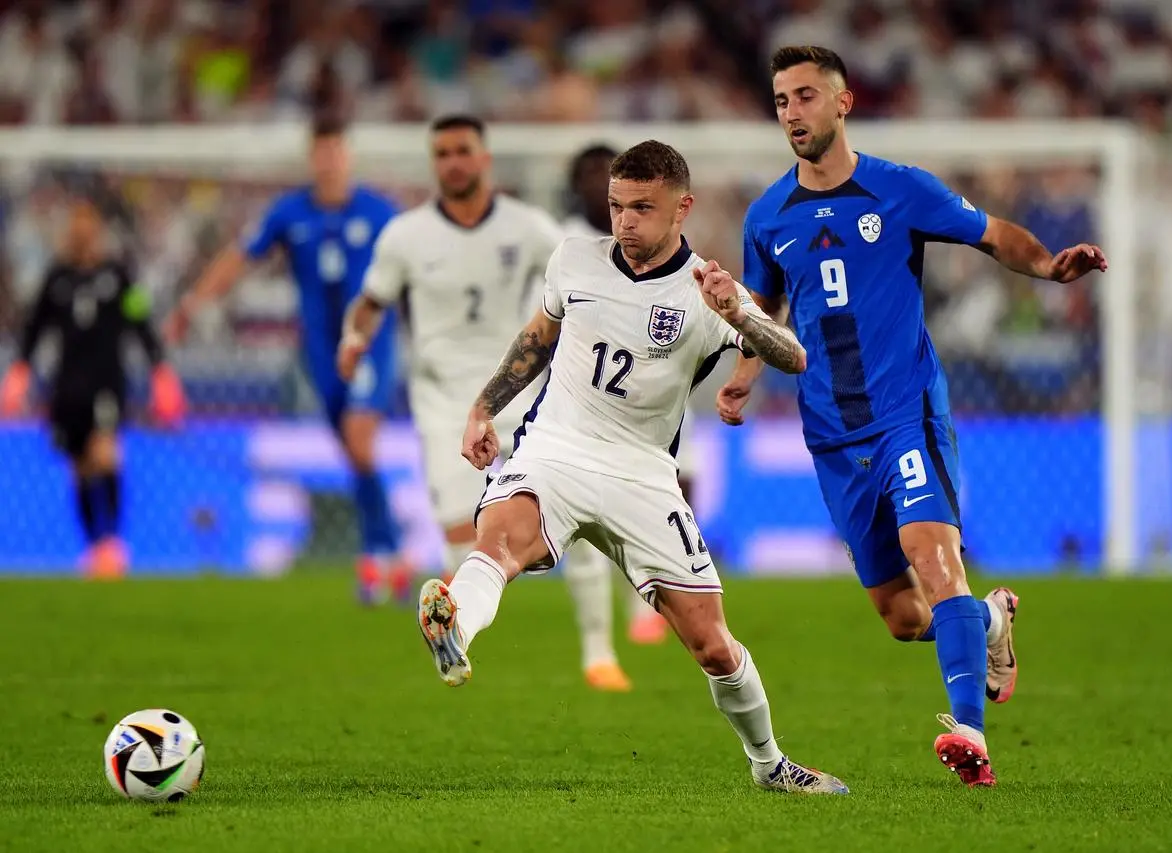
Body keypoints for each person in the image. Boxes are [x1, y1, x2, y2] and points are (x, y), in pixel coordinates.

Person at [719, 46, 1108, 787]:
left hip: (906, 412)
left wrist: (1052, 265)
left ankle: (970, 731)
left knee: (936, 560)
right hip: (832, 433)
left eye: (805, 96)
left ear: (843, 102)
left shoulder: (899, 190)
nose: (792, 112)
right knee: (902, 615)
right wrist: (742, 375)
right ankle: (989, 623)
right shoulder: (768, 215)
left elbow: (993, 233)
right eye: (780, 101)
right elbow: (763, 308)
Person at [410, 139, 847, 794]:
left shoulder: (706, 287)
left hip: (642, 473)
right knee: (498, 539)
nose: (625, 222)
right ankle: (455, 627)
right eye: (617, 206)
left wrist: (739, 318)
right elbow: (537, 339)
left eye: (643, 207)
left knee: (713, 645)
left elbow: (792, 356)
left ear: (682, 208)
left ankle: (769, 763)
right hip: (557, 446)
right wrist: (483, 407)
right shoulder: (573, 258)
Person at [337, 116, 633, 692]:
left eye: (463, 151)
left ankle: (599, 654)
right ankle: (459, 638)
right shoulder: (405, 235)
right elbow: (370, 302)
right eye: (442, 152)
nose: (453, 162)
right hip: (444, 400)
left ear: (484, 158)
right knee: (459, 530)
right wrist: (354, 339)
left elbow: (587, 265)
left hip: (520, 392)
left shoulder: (527, 228)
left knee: (585, 520)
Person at [164, 114, 409, 605]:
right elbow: (239, 256)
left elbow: (417, 264)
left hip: (368, 344)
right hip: (319, 352)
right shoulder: (289, 213)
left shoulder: (380, 212)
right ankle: (386, 555)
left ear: (348, 157)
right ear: (312, 158)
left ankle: (383, 556)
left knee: (360, 441)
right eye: (321, 154)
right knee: (353, 453)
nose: (329, 163)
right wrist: (193, 303)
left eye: (336, 153)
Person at [1, 195, 186, 577]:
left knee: (106, 454)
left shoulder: (118, 276)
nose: (82, 231)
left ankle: (112, 543)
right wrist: (19, 374)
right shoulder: (57, 278)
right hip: (67, 387)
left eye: (89, 223)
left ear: (98, 229)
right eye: (76, 223)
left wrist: (160, 373)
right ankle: (94, 547)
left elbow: (141, 325)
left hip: (107, 384)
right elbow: (35, 330)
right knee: (80, 467)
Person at [561, 143, 672, 646]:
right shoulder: (568, 247)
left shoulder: (659, 249)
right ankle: (599, 644)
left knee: (666, 485)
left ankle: (645, 594)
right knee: (582, 520)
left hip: (651, 398)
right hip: (583, 407)